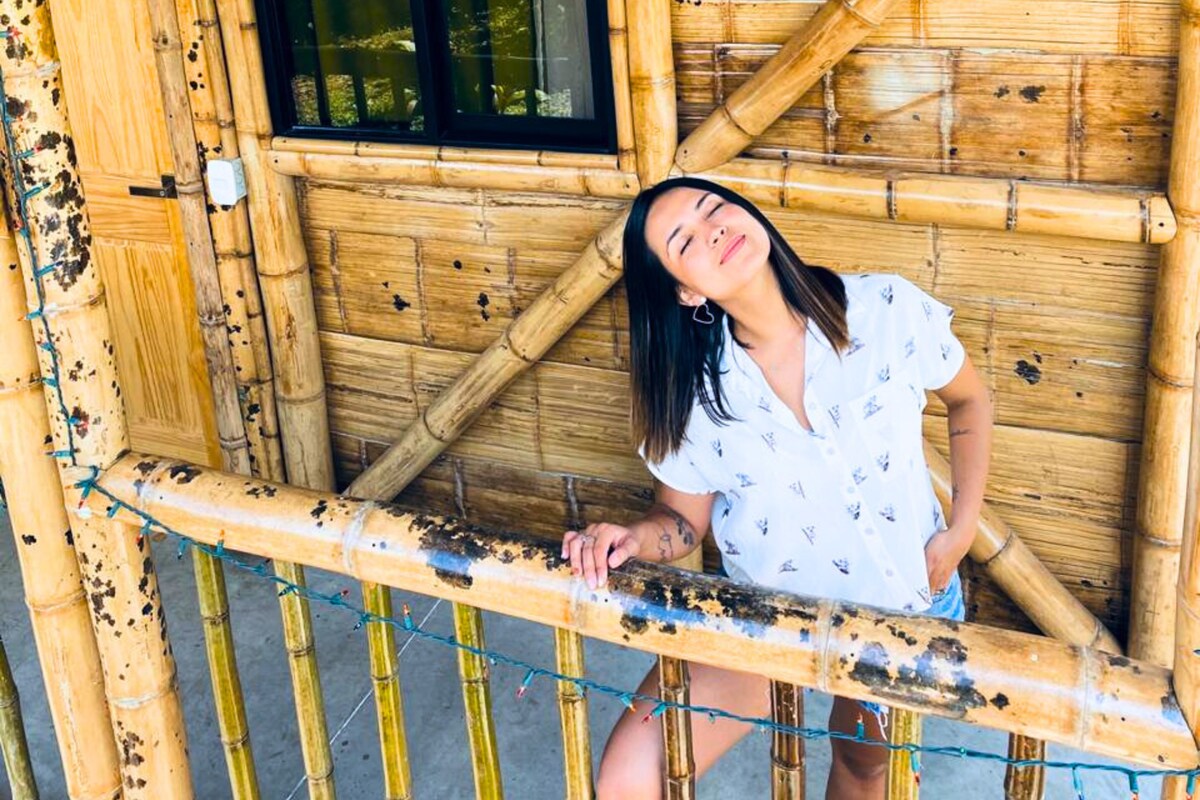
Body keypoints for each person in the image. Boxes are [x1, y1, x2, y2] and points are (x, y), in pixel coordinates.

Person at [560, 176, 993, 799]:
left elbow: (969, 399)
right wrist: (630, 539)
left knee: (865, 765)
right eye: (685, 241)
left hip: (900, 610)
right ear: (686, 290)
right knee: (629, 776)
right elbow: (681, 522)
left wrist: (962, 529)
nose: (713, 229)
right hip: (768, 616)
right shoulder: (693, 394)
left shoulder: (886, 308)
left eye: (714, 207)